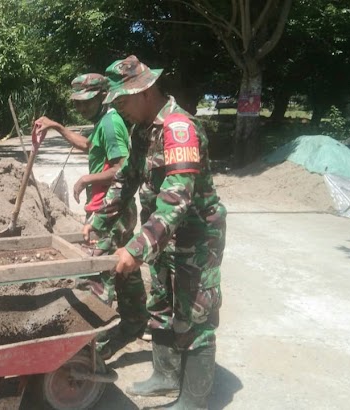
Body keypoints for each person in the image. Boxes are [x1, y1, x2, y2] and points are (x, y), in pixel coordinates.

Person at [91, 55, 227, 409]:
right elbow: (126, 180)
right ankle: (165, 376)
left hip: (195, 237)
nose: (120, 108)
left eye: (123, 100)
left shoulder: (179, 129)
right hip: (164, 236)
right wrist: (99, 221)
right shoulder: (142, 131)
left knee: (194, 312)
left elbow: (177, 199)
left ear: (145, 92)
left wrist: (136, 248)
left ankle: (194, 401)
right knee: (162, 304)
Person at [34, 73, 148, 358]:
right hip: (112, 208)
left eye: (86, 103)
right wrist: (58, 127)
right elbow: (88, 146)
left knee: (94, 276)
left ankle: (87, 345)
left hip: (110, 208)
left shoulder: (110, 124)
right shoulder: (103, 121)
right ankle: (135, 323)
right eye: (78, 104)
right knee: (122, 268)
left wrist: (87, 179)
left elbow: (124, 167)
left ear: (102, 96)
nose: (81, 108)